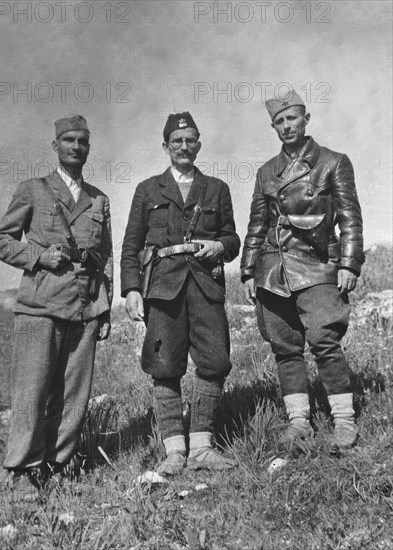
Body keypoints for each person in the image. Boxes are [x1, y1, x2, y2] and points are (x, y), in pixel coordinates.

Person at [0, 115, 113, 499]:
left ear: (88, 147)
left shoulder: (99, 199)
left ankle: (58, 465)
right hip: (40, 305)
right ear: (55, 146)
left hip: (85, 307)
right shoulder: (33, 189)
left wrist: (105, 308)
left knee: (74, 393)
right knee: (32, 390)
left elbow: (105, 256)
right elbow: (0, 241)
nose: (76, 147)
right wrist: (39, 256)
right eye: (68, 140)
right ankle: (21, 471)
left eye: (83, 141)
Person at [241, 91, 364, 452]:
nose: (286, 126)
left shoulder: (333, 162)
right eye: (279, 121)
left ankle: (344, 419)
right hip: (272, 271)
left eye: (292, 118)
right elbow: (257, 224)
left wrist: (349, 263)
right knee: (284, 347)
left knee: (325, 340)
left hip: (318, 265)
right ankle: (299, 421)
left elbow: (350, 218)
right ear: (273, 127)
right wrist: (248, 270)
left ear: (305, 118)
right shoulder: (267, 172)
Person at [121, 112, 240, 474]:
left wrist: (218, 247)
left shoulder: (216, 188)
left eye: (190, 141)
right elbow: (131, 245)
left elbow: (233, 239)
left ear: (199, 144)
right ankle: (174, 450)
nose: (184, 147)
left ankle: (202, 446)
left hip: (205, 286)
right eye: (177, 141)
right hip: (162, 287)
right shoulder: (147, 189)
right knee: (164, 365)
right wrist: (130, 290)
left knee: (216, 360)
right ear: (166, 147)